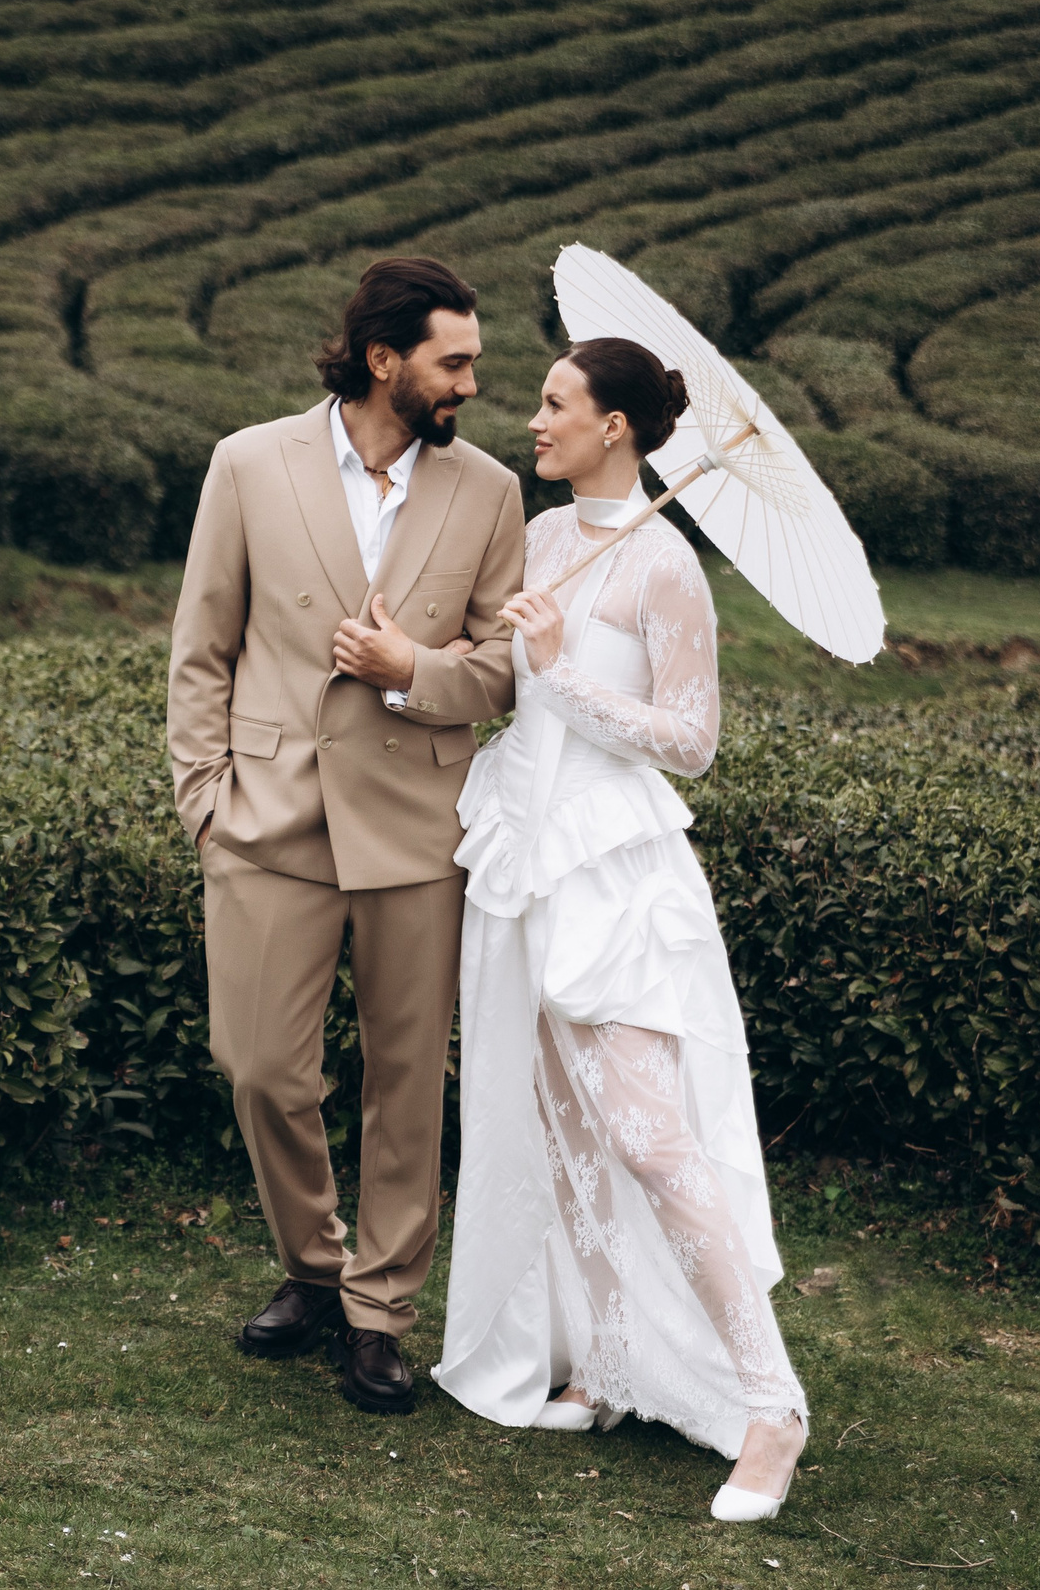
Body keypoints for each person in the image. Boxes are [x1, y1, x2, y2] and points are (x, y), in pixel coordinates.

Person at [432, 337, 811, 1521]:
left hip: (612, 869)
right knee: (565, 1127)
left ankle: (771, 1407)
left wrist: (562, 670)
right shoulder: (543, 537)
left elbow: (690, 740)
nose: (532, 419)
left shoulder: (667, 568)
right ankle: (605, 1360)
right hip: (521, 852)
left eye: (555, 403)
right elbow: (503, 683)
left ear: (613, 427)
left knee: (650, 1138)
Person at [167, 256, 527, 1414]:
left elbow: (505, 669)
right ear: (384, 360)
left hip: (419, 825)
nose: (471, 383)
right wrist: (205, 798)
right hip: (268, 817)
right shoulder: (247, 463)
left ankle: (379, 1314)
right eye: (453, 361)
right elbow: (201, 648)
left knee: (406, 1083)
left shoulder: (491, 492)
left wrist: (409, 666)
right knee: (260, 1067)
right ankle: (313, 1267)